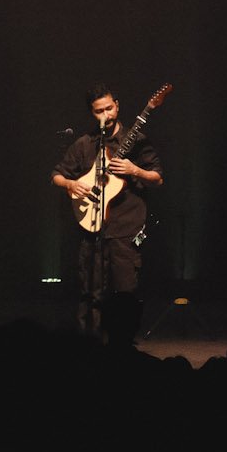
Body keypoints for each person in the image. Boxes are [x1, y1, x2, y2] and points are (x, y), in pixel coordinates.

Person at [52, 84, 163, 337]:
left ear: (117, 106)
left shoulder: (137, 141)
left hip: (126, 229)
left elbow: (158, 178)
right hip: (92, 229)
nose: (106, 115)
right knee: (90, 293)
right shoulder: (84, 144)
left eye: (109, 108)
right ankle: (88, 345)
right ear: (92, 113)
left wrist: (135, 170)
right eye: (99, 111)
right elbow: (57, 175)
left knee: (125, 294)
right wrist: (71, 184)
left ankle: (122, 346)